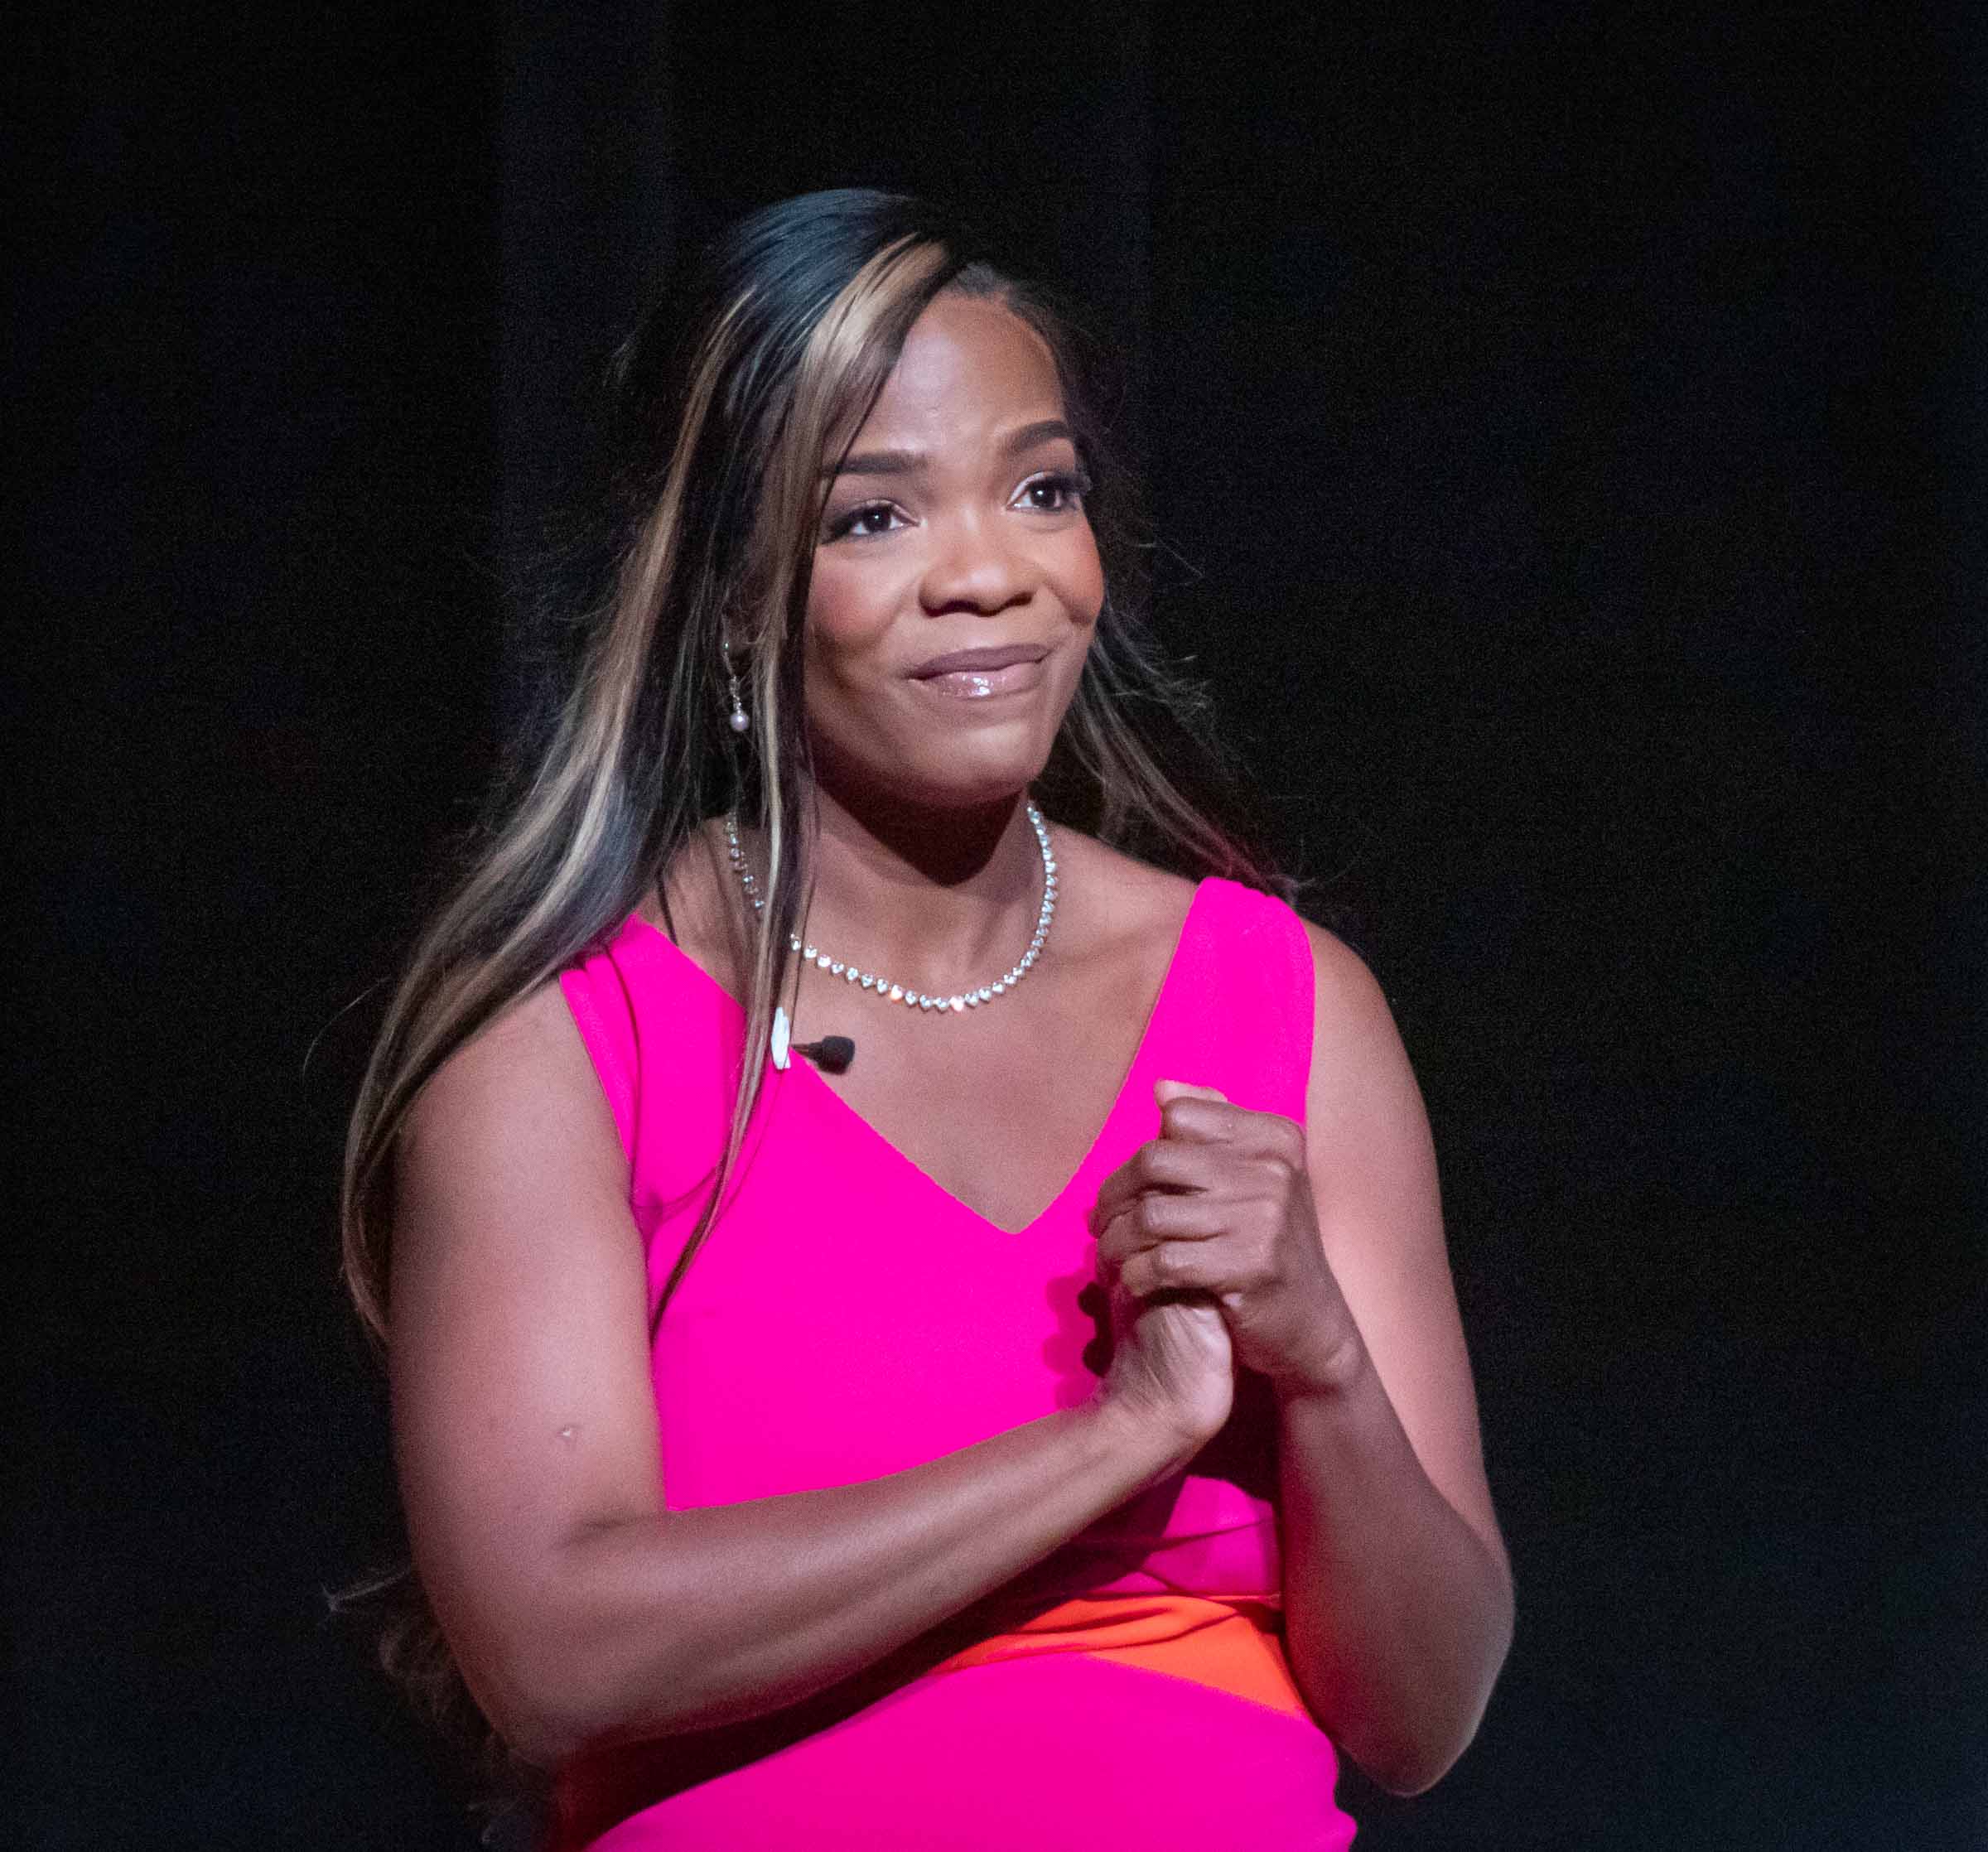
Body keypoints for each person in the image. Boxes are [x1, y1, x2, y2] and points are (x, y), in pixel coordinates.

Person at [342, 188, 1513, 1850]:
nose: (990, 574)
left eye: (1041, 489)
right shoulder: (565, 1041)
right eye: (873, 518)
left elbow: (1423, 1714)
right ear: (732, 594)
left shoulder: (1284, 1001)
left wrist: (1321, 1363)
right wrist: (1119, 1437)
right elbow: (553, 1648)